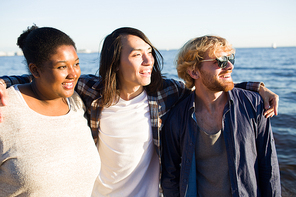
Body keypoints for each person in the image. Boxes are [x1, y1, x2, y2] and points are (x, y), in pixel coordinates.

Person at [0, 27, 279, 196]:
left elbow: (208, 85)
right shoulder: (90, 93)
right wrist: (4, 83)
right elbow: (43, 78)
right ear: (115, 62)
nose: (148, 60)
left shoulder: (165, 94)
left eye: (148, 51)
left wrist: (257, 88)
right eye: (136, 54)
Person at [161, 35, 281, 197]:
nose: (230, 66)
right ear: (194, 71)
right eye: (220, 61)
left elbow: (269, 167)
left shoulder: (254, 105)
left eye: (230, 59)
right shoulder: (177, 118)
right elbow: (170, 175)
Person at [0, 25, 100, 196]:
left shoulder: (78, 102)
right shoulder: (5, 109)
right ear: (35, 70)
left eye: (76, 64)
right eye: (62, 67)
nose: (73, 73)